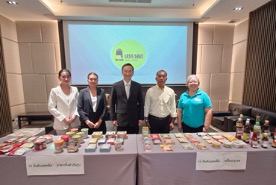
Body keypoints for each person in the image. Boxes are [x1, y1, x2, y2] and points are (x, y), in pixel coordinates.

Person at [110, 63, 144, 134]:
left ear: (133, 72)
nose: (127, 73)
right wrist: (113, 118)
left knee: (134, 141)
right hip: (120, 119)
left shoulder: (137, 86)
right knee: (121, 140)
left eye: (130, 71)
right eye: (125, 71)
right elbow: (112, 104)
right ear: (122, 72)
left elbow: (141, 103)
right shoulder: (116, 86)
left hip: (134, 119)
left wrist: (140, 118)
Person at [48, 69, 80, 135]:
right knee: (62, 143)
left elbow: (79, 105)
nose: (66, 79)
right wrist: (63, 118)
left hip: (74, 122)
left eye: (68, 77)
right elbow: (51, 107)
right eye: (63, 77)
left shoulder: (75, 89)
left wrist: (74, 115)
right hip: (61, 124)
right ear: (59, 78)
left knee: (75, 143)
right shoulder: (54, 91)